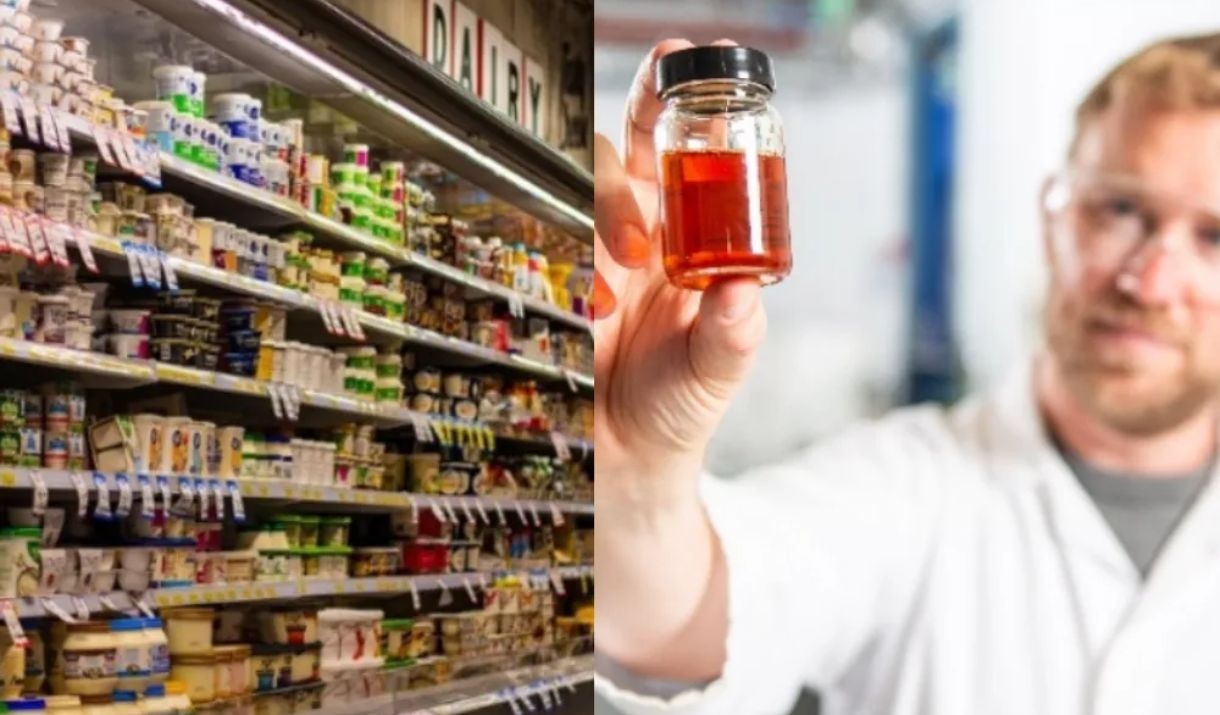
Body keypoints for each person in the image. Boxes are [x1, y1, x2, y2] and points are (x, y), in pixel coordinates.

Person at [594, 34, 1220, 715]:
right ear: (1054, 217)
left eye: (1214, 237)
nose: (1151, 282)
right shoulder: (903, 487)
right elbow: (697, 617)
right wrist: (636, 473)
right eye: (1122, 210)